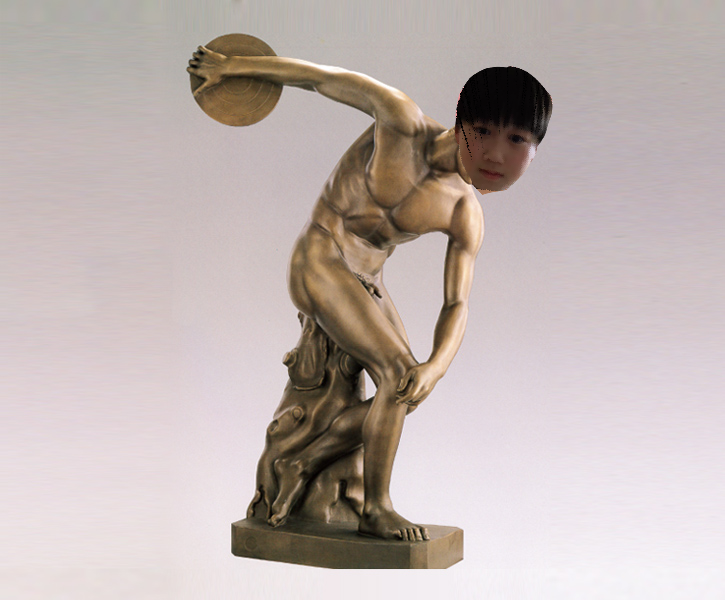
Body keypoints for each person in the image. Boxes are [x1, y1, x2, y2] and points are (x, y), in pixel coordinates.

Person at [188, 48, 552, 541]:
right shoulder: (400, 120)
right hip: (319, 257)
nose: (496, 154)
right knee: (398, 374)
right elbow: (318, 78)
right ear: (461, 119)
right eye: (484, 131)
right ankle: (376, 509)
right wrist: (232, 67)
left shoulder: (464, 211)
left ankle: (302, 462)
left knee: (406, 389)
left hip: (367, 279)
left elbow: (456, 304)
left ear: (534, 149)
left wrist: (436, 367)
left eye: (518, 140)